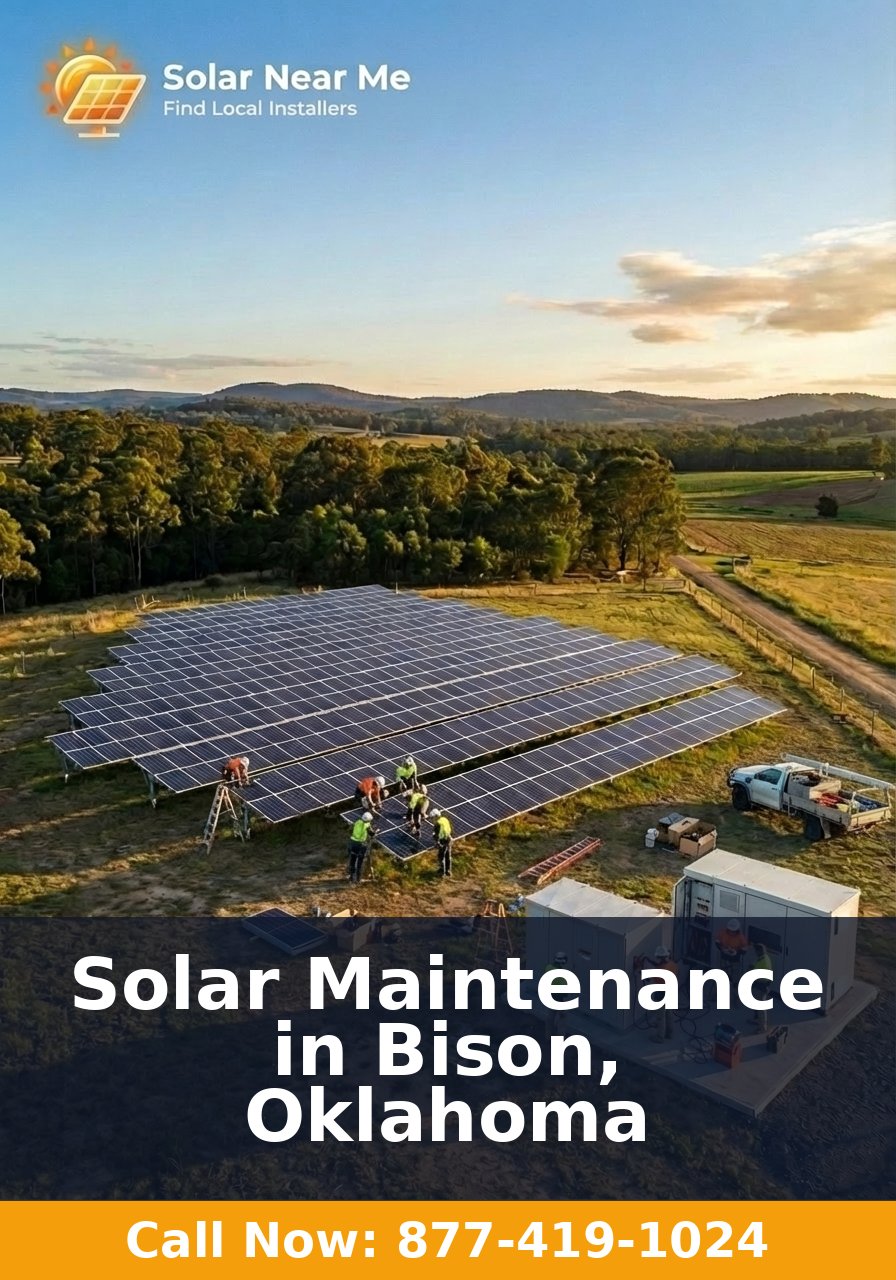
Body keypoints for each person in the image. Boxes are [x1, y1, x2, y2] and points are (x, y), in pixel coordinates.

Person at [647, 945, 678, 1043]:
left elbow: (649, 978)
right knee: (669, 1014)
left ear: (660, 957)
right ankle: (670, 1033)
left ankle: (660, 1037)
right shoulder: (673, 965)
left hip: (661, 994)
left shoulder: (659, 970)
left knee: (661, 1017)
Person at [751, 943, 774, 1033]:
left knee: (761, 1008)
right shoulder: (765, 958)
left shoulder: (763, 961)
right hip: (760, 985)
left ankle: (762, 1028)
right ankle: (757, 1020)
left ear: (759, 951)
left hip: (761, 986)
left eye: (756, 951)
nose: (755, 953)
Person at [347, 812, 374, 884]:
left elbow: (351, 830)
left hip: (352, 843)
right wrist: (375, 832)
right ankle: (358, 879)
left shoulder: (357, 822)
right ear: (368, 820)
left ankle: (351, 877)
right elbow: (371, 833)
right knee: (360, 862)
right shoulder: (367, 825)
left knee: (352, 860)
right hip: (361, 844)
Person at [430, 809, 453, 877]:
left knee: (441, 856)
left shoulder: (437, 824)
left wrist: (437, 843)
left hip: (443, 841)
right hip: (449, 839)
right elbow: (449, 828)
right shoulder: (444, 819)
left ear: (436, 816)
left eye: (432, 818)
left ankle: (442, 872)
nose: (432, 819)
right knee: (448, 856)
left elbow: (436, 835)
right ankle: (448, 871)